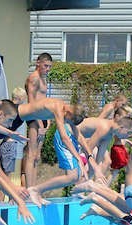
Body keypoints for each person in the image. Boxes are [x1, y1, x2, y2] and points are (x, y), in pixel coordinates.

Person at [27, 109, 89, 207]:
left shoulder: (73, 118)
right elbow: (64, 139)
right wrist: (78, 159)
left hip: (70, 138)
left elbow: (79, 136)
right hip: (64, 140)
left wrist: (88, 155)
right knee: (72, 176)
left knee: (76, 177)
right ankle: (36, 189)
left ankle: (38, 191)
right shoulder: (62, 113)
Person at [23, 52, 53, 188]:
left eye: (49, 67)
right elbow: (31, 102)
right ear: (38, 63)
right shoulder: (33, 78)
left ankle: (34, 188)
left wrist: (48, 119)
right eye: (45, 66)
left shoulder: (42, 79)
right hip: (34, 119)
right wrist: (40, 122)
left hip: (42, 119)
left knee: (37, 157)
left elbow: (44, 100)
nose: (47, 69)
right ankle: (29, 189)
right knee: (31, 154)